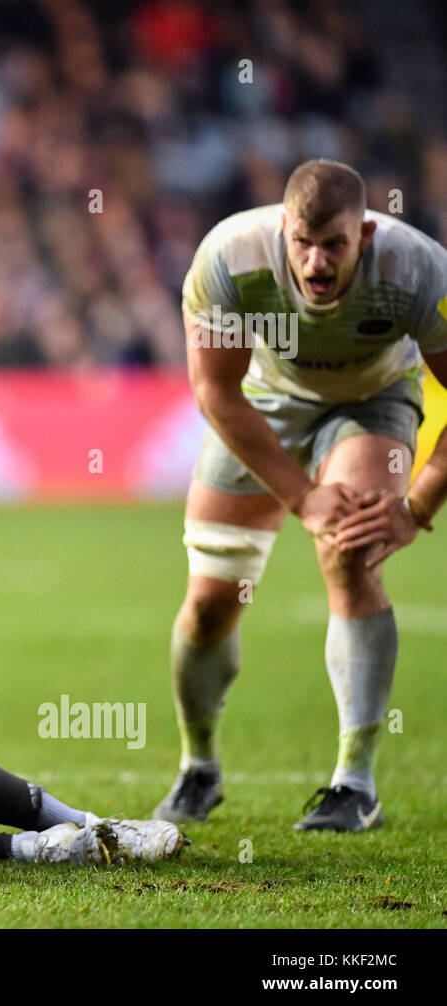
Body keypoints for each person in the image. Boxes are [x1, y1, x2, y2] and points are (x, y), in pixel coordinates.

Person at [153, 159, 447, 831]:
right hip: (263, 405)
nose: (316, 263)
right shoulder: (229, 257)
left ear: (365, 238)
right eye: (303, 244)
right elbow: (217, 393)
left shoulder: (419, 272)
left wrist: (419, 505)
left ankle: (356, 783)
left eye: (334, 246)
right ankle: (198, 768)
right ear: (283, 230)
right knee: (208, 603)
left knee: (351, 555)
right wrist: (301, 496)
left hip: (372, 404)